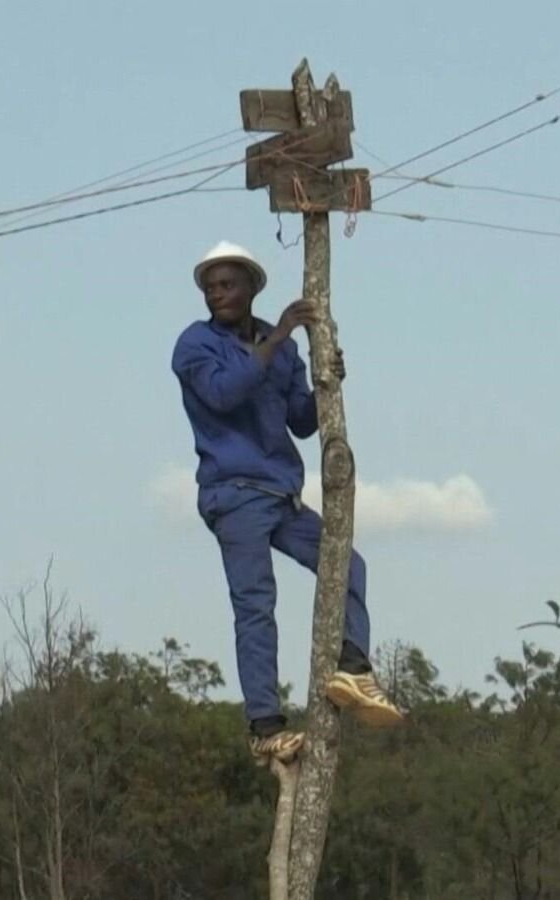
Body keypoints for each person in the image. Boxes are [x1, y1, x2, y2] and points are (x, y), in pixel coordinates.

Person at [171, 240, 403, 763]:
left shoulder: (282, 350)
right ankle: (265, 726)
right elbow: (226, 393)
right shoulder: (194, 345)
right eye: (210, 287)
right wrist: (278, 336)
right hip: (233, 492)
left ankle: (352, 667)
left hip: (280, 493)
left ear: (251, 287)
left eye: (227, 285)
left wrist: (327, 383)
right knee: (256, 605)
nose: (217, 295)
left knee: (346, 563)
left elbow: (299, 420)